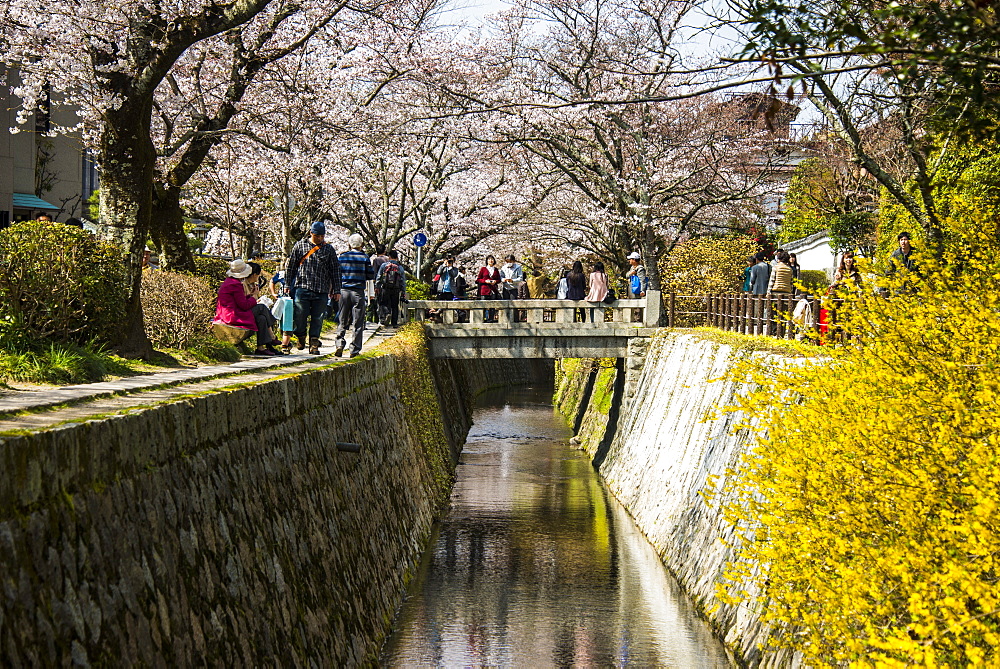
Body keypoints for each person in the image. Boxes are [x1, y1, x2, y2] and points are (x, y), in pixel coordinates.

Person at [285, 221, 341, 355]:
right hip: (302, 287)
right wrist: (287, 284)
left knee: (318, 317)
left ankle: (314, 344)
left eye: (322, 236)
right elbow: (291, 266)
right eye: (318, 236)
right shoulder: (300, 245)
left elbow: (335, 270)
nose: (320, 238)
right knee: (300, 315)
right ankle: (301, 336)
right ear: (311, 233)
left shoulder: (329, 249)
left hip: (321, 289)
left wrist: (337, 289)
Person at [215, 259, 281, 356]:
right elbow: (244, 306)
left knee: (261, 318)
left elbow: (240, 301)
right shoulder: (235, 284)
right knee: (261, 307)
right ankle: (272, 337)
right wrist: (254, 297)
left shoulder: (230, 282)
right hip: (233, 316)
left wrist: (251, 296)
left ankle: (261, 348)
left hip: (230, 313)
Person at [335, 234, 375, 358]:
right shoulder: (365, 257)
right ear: (361, 245)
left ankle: (339, 344)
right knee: (357, 322)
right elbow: (370, 275)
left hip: (344, 291)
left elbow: (337, 273)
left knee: (342, 319)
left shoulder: (342, 257)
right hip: (358, 292)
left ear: (349, 244)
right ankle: (354, 349)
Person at [375, 250, 406, 327]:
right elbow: (403, 280)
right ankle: (394, 323)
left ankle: (385, 316)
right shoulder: (400, 267)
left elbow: (378, 277)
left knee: (384, 303)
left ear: (389, 257)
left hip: (385, 287)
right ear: (397, 257)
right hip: (396, 288)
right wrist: (403, 291)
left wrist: (377, 287)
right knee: (395, 305)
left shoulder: (384, 265)